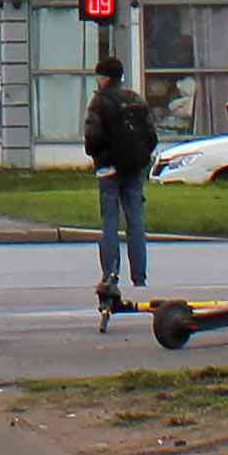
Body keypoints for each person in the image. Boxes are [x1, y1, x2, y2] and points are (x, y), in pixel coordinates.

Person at [80, 56, 158, 317]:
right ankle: (140, 275)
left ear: (104, 77)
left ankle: (110, 272)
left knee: (110, 222)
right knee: (136, 219)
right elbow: (151, 136)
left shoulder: (100, 102)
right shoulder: (136, 99)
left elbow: (92, 137)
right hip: (134, 167)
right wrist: (140, 157)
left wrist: (98, 155)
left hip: (108, 168)